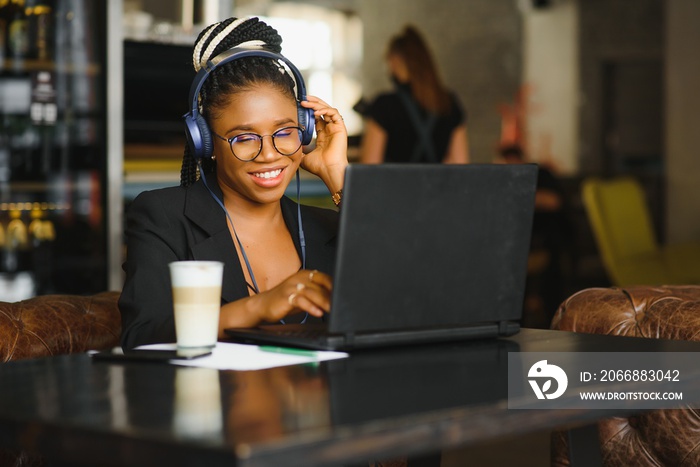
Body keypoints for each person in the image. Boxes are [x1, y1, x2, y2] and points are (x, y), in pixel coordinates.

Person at [119, 17, 348, 350]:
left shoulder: (331, 226)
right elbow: (141, 337)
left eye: (285, 133)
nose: (269, 154)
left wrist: (336, 172)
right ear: (206, 143)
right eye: (244, 138)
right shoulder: (164, 217)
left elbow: (403, 299)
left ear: (306, 131)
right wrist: (257, 306)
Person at [359, 25, 469, 164]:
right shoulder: (449, 102)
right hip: (435, 185)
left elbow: (370, 165)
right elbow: (459, 161)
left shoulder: (384, 105)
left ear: (396, 60)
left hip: (395, 185)